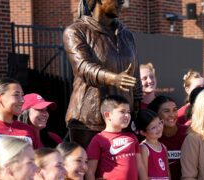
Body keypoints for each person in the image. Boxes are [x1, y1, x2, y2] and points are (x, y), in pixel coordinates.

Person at [63, 0, 142, 147]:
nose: (122, 2)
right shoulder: (76, 31)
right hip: (89, 121)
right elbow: (83, 67)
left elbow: (135, 75)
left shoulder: (127, 36)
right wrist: (114, 79)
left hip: (123, 119)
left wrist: (136, 110)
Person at [86, 95, 147, 180]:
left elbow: (140, 166)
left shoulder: (132, 137)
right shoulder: (98, 139)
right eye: (122, 112)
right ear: (107, 115)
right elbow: (90, 171)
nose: (127, 115)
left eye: (128, 112)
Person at [148, 95, 187, 180]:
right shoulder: (150, 137)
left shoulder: (188, 133)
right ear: (156, 114)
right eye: (166, 111)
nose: (172, 115)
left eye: (175, 110)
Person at [136, 109, 170, 179]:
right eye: (153, 127)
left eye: (160, 123)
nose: (159, 128)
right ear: (143, 132)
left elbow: (168, 171)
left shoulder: (163, 147)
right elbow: (143, 174)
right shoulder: (144, 148)